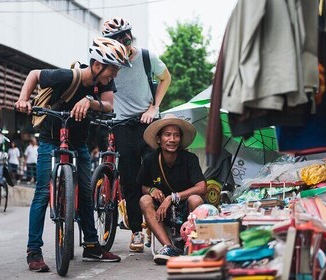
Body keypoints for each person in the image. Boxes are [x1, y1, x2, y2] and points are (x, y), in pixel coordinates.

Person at [15, 37, 131, 272]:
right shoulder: (68, 76)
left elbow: (109, 105)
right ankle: (34, 251)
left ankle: (91, 245)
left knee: (87, 191)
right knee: (41, 194)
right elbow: (35, 74)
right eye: (113, 70)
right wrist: (23, 99)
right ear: (97, 65)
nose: (114, 75)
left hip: (78, 142)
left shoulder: (103, 85)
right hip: (50, 139)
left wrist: (90, 101)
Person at [102, 16, 172, 252]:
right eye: (119, 38)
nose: (125, 40)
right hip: (122, 125)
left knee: (157, 173)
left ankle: (160, 224)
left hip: (148, 121)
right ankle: (137, 231)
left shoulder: (145, 56)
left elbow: (166, 78)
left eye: (127, 35)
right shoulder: (108, 63)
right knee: (130, 179)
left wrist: (154, 107)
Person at [137, 114, 206, 265]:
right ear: (158, 139)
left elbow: (201, 187)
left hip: (185, 210)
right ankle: (169, 247)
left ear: (180, 139)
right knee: (144, 200)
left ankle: (193, 243)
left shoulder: (190, 159)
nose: (172, 139)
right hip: (162, 213)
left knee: (196, 199)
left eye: (176, 135)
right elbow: (144, 186)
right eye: (167, 135)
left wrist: (172, 197)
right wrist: (150, 191)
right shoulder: (150, 160)